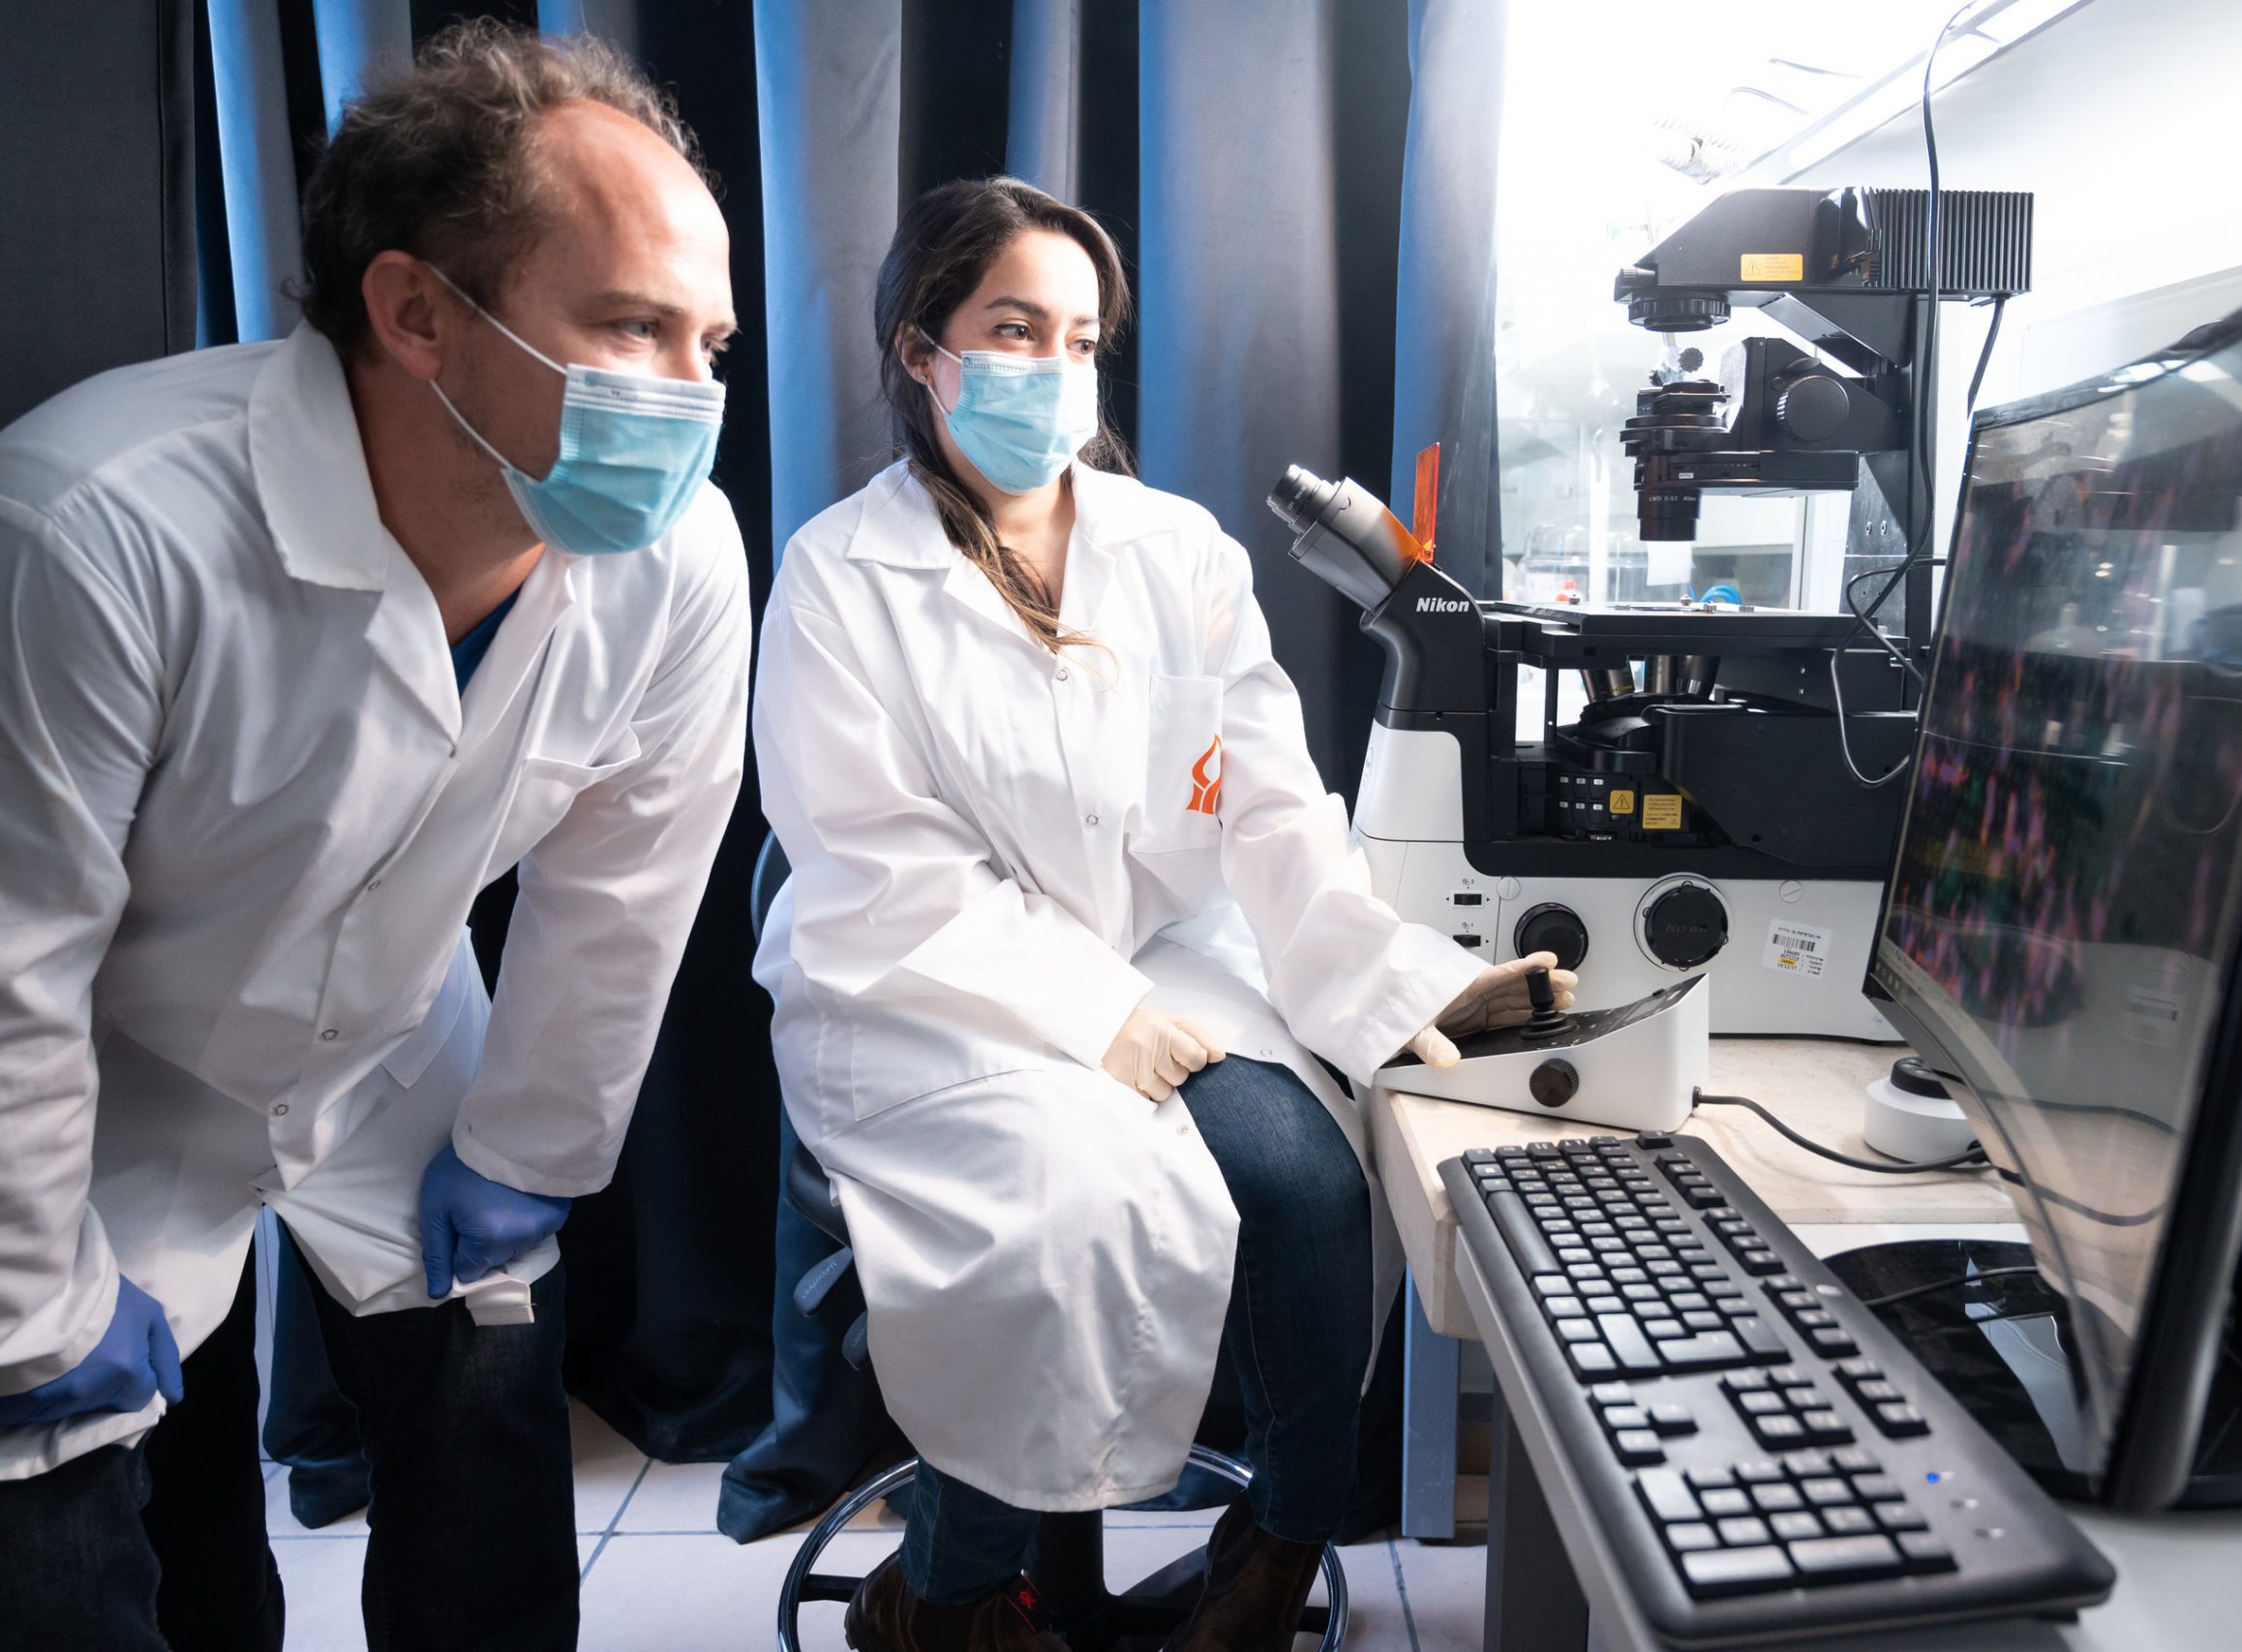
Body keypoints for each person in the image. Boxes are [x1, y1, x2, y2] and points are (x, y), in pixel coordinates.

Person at [0, 23, 747, 1651]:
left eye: (711, 344)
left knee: (485, 1386)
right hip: (105, 1064)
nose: (689, 403)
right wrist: (28, 1305)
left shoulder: (678, 559)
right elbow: (11, 968)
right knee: (82, 1494)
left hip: (394, 1030)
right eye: (631, 327)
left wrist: (526, 1152)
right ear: (417, 312)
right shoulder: (90, 527)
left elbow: (623, 889)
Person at [751, 175, 1574, 1652]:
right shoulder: (836, 578)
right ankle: (945, 1596)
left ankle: (1275, 1548)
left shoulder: (1176, 550)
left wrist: (1404, 985)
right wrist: (1093, 1015)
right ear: (917, 347)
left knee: (1319, 1190)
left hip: (1162, 958)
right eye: (1014, 329)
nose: (1053, 371)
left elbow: (1266, 804)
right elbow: (874, 864)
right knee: (1060, 1210)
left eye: (1080, 340)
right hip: (930, 990)